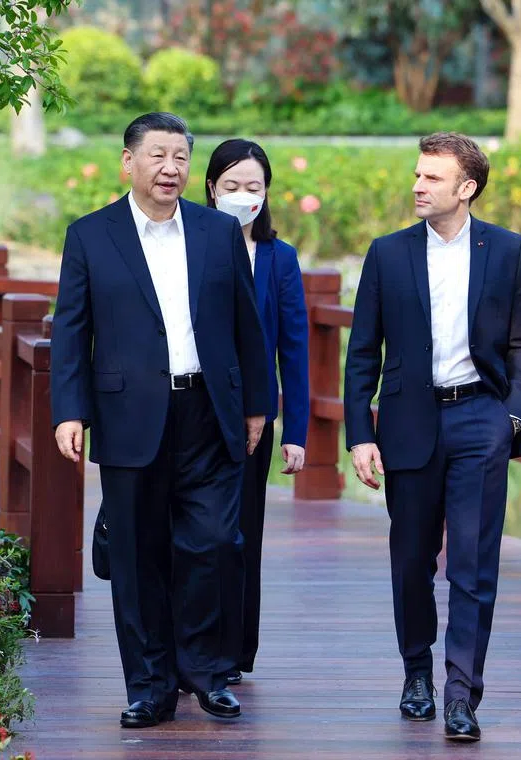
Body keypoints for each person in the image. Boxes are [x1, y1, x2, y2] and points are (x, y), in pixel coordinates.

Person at [50, 112, 270, 729]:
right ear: (129, 163)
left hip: (209, 411)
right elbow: (72, 330)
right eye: (158, 156)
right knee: (138, 556)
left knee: (213, 545)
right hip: (129, 414)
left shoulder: (216, 232)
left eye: (180, 157)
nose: (171, 168)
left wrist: (257, 403)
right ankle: (150, 685)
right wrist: (70, 410)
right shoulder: (91, 236)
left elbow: (245, 324)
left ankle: (206, 673)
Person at [342, 132, 521, 741]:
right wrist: (359, 433)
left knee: (475, 567)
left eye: (432, 178)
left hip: (481, 420)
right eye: (417, 175)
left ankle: (462, 694)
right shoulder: (388, 253)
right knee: (411, 561)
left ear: (467, 188)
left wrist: (513, 418)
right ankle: (416, 675)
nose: (418, 186)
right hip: (408, 424)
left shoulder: (506, 251)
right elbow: (361, 353)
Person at [204, 139, 309, 683]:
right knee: (195, 534)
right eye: (231, 187)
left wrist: (296, 431)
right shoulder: (189, 245)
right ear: (211, 189)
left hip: (251, 420)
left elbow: (293, 349)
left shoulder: (278, 257)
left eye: (254, 188)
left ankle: (235, 650)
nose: (242, 197)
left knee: (242, 533)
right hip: (192, 411)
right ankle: (190, 646)